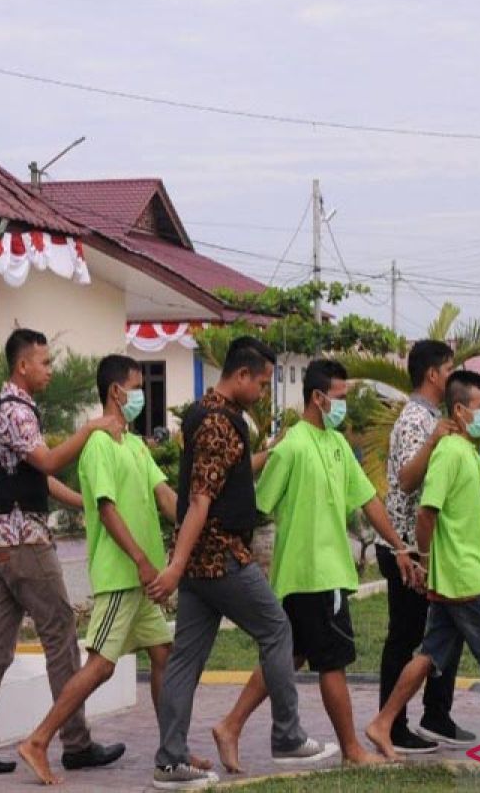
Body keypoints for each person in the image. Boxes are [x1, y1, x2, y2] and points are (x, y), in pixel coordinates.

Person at [213, 359, 419, 771]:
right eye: (340, 397)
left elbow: (369, 500)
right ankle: (352, 750)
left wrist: (399, 546)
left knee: (289, 656)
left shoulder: (339, 445)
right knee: (333, 661)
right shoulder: (291, 445)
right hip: (312, 574)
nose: (344, 405)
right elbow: (259, 504)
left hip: (321, 573)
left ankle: (230, 725)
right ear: (318, 398)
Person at [148, 337, 332, 791]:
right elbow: (199, 501)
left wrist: (271, 453)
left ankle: (170, 762)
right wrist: (175, 565)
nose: (265, 391)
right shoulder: (218, 424)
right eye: (264, 382)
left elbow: (225, 473)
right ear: (242, 375)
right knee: (278, 630)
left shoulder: (206, 415)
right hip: (221, 557)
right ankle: (287, 736)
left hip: (201, 564)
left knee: (185, 661)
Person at [17, 355, 211, 784]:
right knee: (102, 666)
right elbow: (105, 509)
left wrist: (199, 520)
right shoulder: (99, 446)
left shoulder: (135, 445)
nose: (142, 395)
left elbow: (163, 496)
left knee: (164, 656)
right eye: (136, 387)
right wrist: (141, 560)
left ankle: (172, 750)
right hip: (122, 577)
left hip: (144, 582)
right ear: (116, 392)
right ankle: (38, 740)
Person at [0, 329, 124, 775]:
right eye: (44, 363)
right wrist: (89, 428)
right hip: (24, 543)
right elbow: (48, 462)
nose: (50, 369)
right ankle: (76, 742)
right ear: (22, 365)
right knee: (61, 633)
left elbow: (37, 477)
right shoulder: (16, 411)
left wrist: (82, 504)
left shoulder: (10, 409)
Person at [366, 371, 480, 760]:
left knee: (429, 654)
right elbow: (425, 513)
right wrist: (429, 562)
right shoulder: (449, 452)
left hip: (460, 578)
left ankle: (383, 723)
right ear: (460, 410)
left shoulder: (468, 451)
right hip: (464, 580)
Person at [378, 339, 471, 753]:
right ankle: (392, 723)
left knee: (446, 631)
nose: (455, 376)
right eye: (450, 369)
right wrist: (434, 440)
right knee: (406, 636)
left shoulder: (435, 416)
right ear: (433, 374)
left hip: (430, 545)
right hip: (406, 548)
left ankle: (437, 713)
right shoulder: (416, 419)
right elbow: (407, 480)